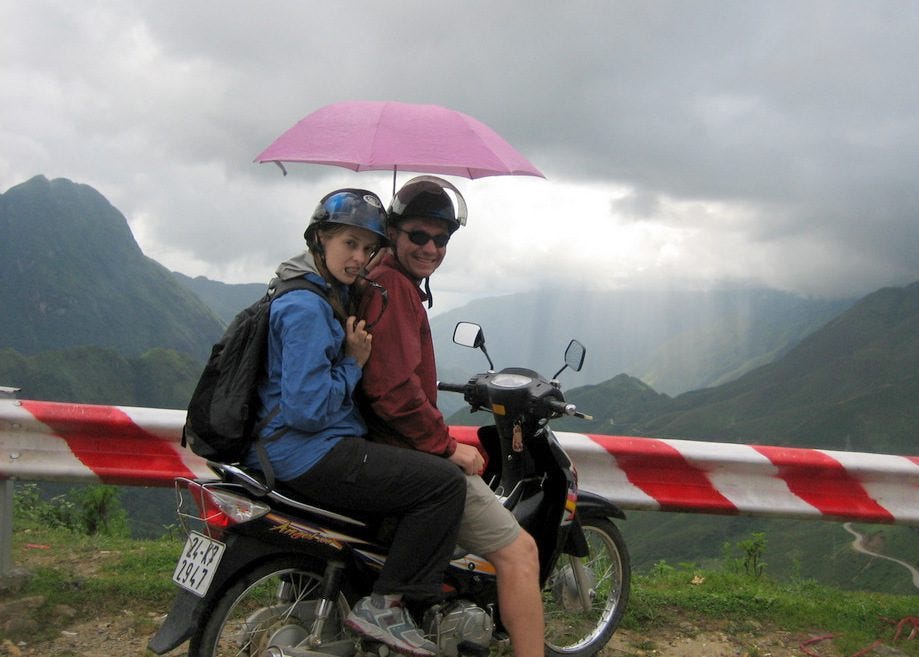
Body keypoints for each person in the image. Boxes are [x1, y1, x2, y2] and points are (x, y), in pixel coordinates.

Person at [244, 188, 466, 657]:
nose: (359, 258)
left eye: (368, 248)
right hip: (305, 450)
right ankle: (386, 605)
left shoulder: (326, 290)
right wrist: (353, 362)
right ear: (319, 239)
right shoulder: (306, 307)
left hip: (294, 446)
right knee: (443, 485)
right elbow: (307, 410)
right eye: (348, 245)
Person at [358, 176, 545, 657]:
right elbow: (394, 392)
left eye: (441, 238)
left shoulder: (377, 279)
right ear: (393, 232)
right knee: (520, 553)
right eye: (418, 235)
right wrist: (447, 446)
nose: (431, 247)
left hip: (375, 448)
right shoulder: (393, 288)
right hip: (404, 451)